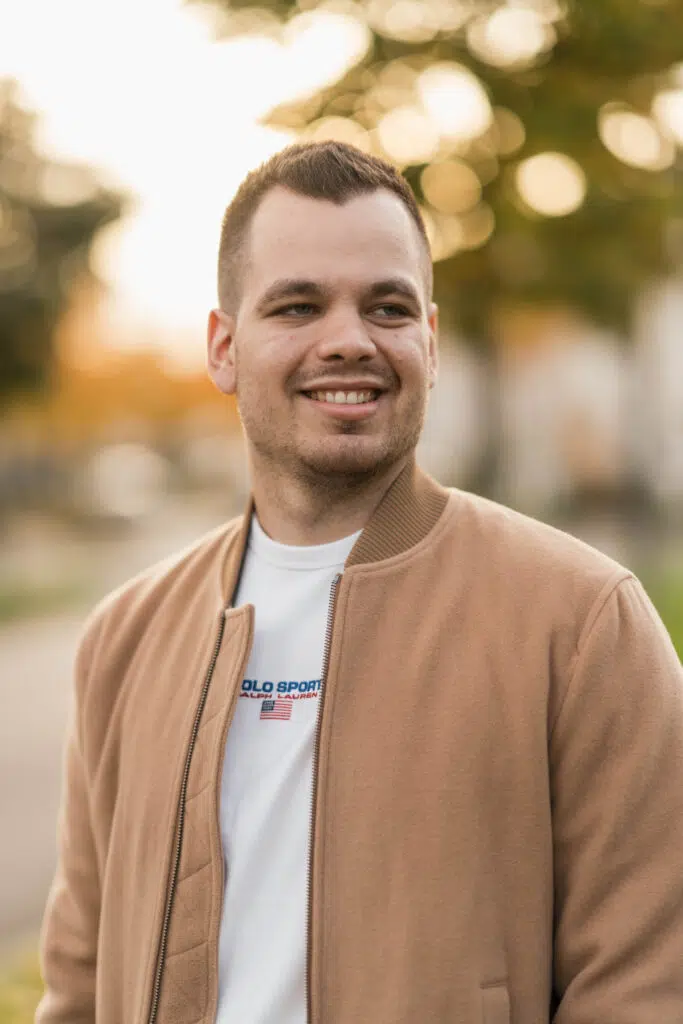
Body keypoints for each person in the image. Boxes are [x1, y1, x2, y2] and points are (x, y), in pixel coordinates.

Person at [37, 140, 683, 1024]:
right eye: (297, 306)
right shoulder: (125, 639)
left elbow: (645, 985)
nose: (347, 341)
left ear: (429, 341)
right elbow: (79, 984)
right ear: (224, 348)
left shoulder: (582, 625)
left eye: (386, 307)